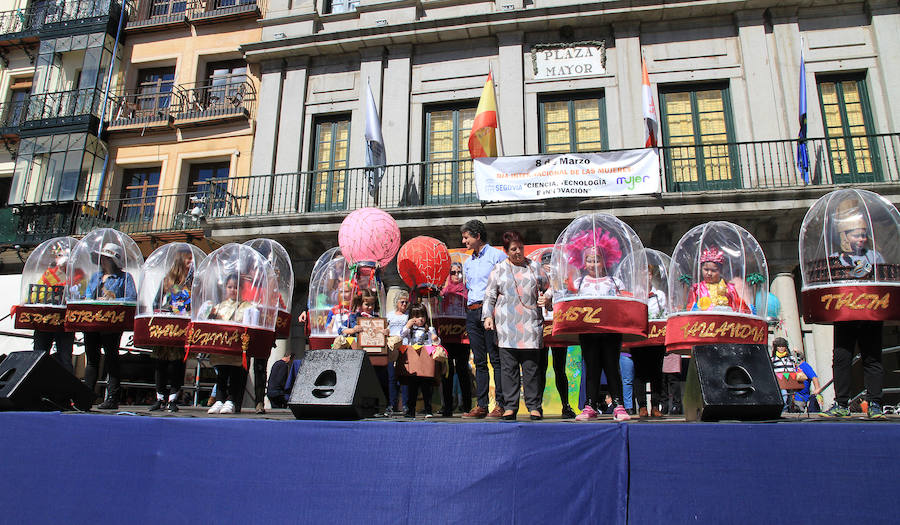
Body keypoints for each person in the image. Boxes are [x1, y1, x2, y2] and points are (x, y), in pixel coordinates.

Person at [821, 200, 887, 419]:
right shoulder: (836, 259)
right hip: (846, 314)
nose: (860, 239)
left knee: (872, 358)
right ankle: (841, 403)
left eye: (863, 236)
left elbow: (883, 280)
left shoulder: (875, 257)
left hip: (870, 313)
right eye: (855, 235)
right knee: (841, 358)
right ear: (845, 237)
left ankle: (875, 403)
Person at [560, 233, 629, 422]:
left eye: (597, 260)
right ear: (583, 262)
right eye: (589, 260)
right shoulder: (580, 283)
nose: (592, 264)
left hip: (610, 332)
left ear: (605, 261)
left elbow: (624, 302)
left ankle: (618, 404)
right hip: (588, 332)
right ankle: (590, 405)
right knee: (591, 368)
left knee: (612, 366)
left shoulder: (614, 282)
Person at [483, 231, 549, 420]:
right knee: (509, 369)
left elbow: (550, 288)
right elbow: (490, 295)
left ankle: (534, 406)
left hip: (530, 326)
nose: (518, 252)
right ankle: (510, 406)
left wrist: (547, 298)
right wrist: (488, 316)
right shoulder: (499, 269)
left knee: (531, 369)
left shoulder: (535, 267)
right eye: (513, 249)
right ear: (506, 251)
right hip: (506, 327)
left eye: (520, 248)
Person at [459, 219, 507, 419]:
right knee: (479, 360)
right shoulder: (468, 262)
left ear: (477, 236)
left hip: (492, 311)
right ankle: (481, 405)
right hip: (472, 311)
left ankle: (501, 405)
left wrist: (496, 311)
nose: (464, 241)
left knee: (496, 359)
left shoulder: (497, 256)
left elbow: (507, 284)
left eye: (466, 237)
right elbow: (470, 288)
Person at [83, 243, 137, 410]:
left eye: (106, 257)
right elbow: (88, 296)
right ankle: (85, 396)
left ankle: (112, 397)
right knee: (92, 359)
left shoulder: (124, 278)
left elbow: (131, 298)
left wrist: (114, 298)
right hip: (93, 321)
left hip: (112, 322)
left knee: (111, 357)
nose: (103, 260)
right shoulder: (96, 277)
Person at [149, 247, 193, 413]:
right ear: (181, 259)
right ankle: (160, 396)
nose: (191, 261)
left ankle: (173, 397)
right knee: (160, 362)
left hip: (182, 326)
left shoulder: (193, 281)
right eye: (188, 258)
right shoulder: (168, 280)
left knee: (177, 364)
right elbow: (156, 302)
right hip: (165, 325)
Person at [536, 251, 575, 419]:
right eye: (545, 263)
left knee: (560, 369)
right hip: (541, 326)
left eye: (551, 263)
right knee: (540, 368)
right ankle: (536, 406)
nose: (548, 266)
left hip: (557, 326)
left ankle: (566, 405)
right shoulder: (536, 281)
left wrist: (554, 289)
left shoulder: (563, 285)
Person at [207, 274, 252, 415]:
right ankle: (219, 399)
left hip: (238, 347)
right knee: (221, 373)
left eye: (236, 287)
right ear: (225, 288)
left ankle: (231, 400)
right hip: (222, 347)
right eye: (230, 287)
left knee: (235, 374)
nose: (233, 290)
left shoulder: (247, 306)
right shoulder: (219, 306)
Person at [32, 240, 75, 373]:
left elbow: (79, 296)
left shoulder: (77, 276)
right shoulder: (48, 275)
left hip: (65, 322)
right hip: (45, 320)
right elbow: (35, 297)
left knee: (65, 357)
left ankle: (68, 389)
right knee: (39, 356)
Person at [438, 262, 473, 417]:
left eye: (459, 272)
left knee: (463, 370)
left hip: (463, 336)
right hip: (446, 335)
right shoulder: (444, 292)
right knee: (447, 371)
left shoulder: (468, 291)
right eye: (453, 272)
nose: (456, 275)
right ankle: (447, 407)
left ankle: (467, 407)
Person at [632, 267, 667, 418]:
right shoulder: (634, 294)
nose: (646, 276)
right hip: (640, 337)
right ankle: (641, 406)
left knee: (656, 372)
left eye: (648, 273)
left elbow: (664, 313)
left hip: (657, 337)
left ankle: (655, 406)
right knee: (639, 372)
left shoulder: (660, 295)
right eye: (642, 273)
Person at [400, 302, 442, 418]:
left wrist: (436, 339)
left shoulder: (430, 329)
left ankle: (428, 409)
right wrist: (407, 326)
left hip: (425, 361)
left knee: (426, 387)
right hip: (413, 361)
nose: (421, 319)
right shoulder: (410, 330)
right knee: (412, 387)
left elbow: (437, 344)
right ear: (412, 318)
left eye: (423, 316)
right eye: (417, 316)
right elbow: (401, 336)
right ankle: (411, 410)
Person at [687, 246, 750, 313]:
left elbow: (737, 308)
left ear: (721, 271)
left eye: (713, 270)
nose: (709, 273)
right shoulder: (697, 288)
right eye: (706, 269)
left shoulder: (730, 289)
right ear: (700, 269)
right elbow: (690, 308)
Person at [385, 291, 411, 415]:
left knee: (404, 378)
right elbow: (385, 327)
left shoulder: (409, 316)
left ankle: (405, 404)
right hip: (392, 347)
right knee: (391, 378)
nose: (404, 304)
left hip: (404, 347)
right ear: (397, 303)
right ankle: (391, 404)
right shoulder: (390, 315)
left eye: (406, 302)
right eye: (402, 302)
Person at [771, 337, 804, 411]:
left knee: (790, 396)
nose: (781, 348)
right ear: (776, 348)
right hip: (780, 381)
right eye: (779, 346)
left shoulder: (791, 358)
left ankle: (789, 409)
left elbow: (800, 359)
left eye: (783, 346)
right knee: (784, 395)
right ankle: (784, 410)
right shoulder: (773, 359)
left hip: (790, 379)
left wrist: (798, 352)